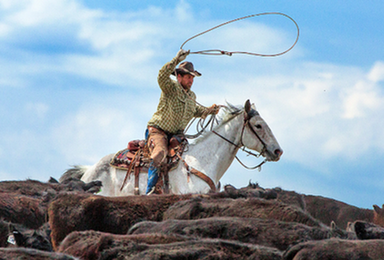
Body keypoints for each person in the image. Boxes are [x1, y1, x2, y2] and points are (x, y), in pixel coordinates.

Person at [145, 49, 219, 194]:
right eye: (188, 77)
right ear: (179, 76)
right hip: (158, 131)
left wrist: (210, 110)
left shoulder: (192, 96)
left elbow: (196, 111)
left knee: (189, 156)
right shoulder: (170, 87)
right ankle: (150, 190)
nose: (191, 80)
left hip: (176, 136)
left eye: (192, 77)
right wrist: (176, 59)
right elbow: (161, 75)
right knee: (160, 153)